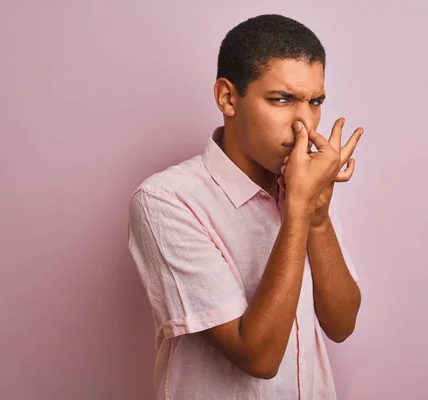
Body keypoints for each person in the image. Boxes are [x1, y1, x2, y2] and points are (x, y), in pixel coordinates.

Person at [127, 14, 364, 400]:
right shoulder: (166, 201)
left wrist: (317, 218)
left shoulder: (305, 186)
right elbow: (258, 357)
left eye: (315, 101)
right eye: (282, 99)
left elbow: (341, 324)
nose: (304, 124)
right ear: (227, 97)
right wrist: (300, 211)